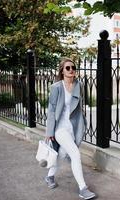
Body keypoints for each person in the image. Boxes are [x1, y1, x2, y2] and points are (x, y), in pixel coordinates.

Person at [44, 58, 96, 200]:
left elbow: (79, 105)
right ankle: (83, 189)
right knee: (75, 154)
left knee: (61, 154)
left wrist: (82, 120)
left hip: (73, 127)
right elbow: (52, 110)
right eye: (68, 68)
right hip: (60, 129)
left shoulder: (79, 85)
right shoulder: (56, 87)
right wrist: (50, 132)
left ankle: (49, 177)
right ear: (62, 71)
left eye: (73, 67)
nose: (71, 70)